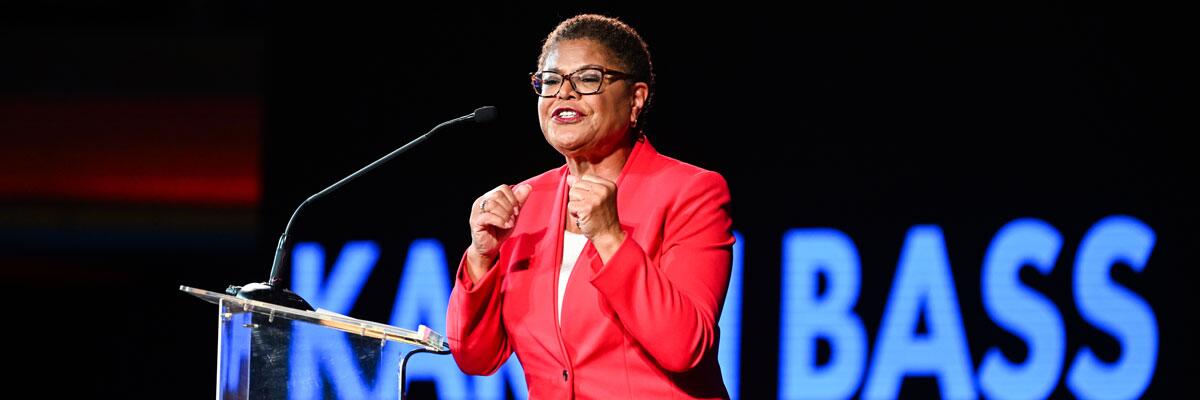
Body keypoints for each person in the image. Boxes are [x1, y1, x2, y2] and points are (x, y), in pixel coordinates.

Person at [446, 14, 734, 399]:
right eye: (550, 81)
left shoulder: (690, 192)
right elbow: (476, 358)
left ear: (636, 99)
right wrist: (482, 258)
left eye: (587, 79)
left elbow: (686, 348)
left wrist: (610, 237)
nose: (563, 93)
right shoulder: (524, 203)